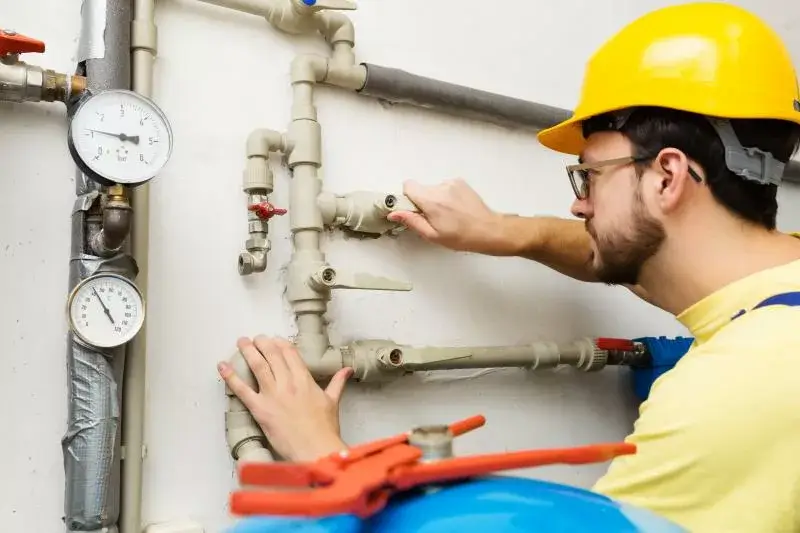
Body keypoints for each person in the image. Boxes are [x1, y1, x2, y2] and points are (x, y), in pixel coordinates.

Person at [217, 3, 800, 532]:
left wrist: (326, 458)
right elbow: (634, 250)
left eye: (589, 177)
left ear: (667, 177)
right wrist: (501, 231)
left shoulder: (734, 390)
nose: (579, 206)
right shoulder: (775, 292)